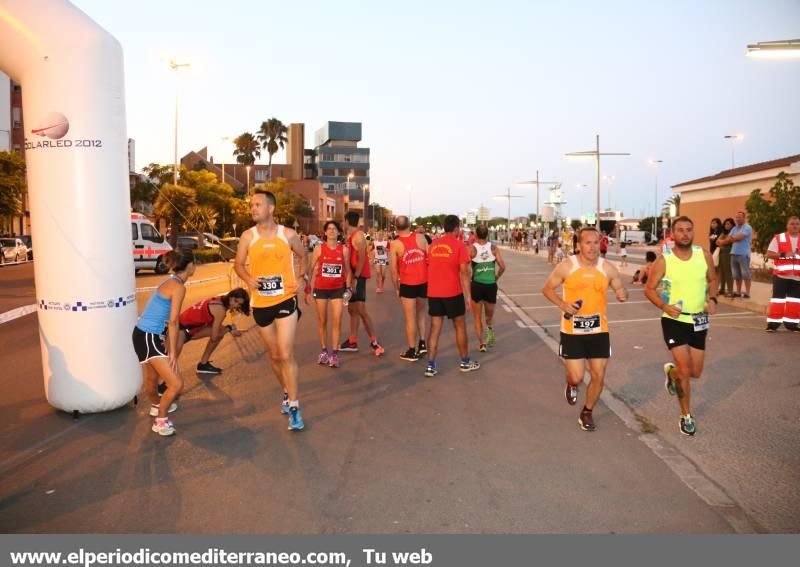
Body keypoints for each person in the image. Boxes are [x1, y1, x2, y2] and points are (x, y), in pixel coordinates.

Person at [542, 227, 628, 432]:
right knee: (577, 377)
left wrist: (622, 293)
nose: (592, 247)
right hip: (573, 331)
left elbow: (619, 287)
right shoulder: (567, 266)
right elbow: (547, 289)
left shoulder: (607, 267)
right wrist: (563, 305)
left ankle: (587, 411)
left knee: (599, 375)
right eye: (587, 243)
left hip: (598, 330)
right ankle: (571, 384)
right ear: (579, 245)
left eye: (596, 243)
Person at [234, 190, 307, 431]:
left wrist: (301, 277)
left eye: (257, 204)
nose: (252, 208)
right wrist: (247, 277)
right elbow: (237, 264)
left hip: (285, 299)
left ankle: (294, 407)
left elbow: (303, 256)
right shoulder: (247, 236)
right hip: (261, 303)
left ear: (271, 208)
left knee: (286, 354)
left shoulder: (288, 234)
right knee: (274, 356)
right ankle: (287, 390)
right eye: (251, 205)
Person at [644, 216, 717, 437]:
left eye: (689, 230)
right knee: (686, 370)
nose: (685, 234)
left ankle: (671, 372)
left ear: (693, 232)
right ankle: (686, 415)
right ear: (673, 234)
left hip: (698, 320)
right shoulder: (664, 260)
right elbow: (649, 289)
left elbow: (713, 280)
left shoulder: (703, 255)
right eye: (680, 230)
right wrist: (664, 306)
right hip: (674, 320)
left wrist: (712, 299)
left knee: (695, 372)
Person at [132, 250, 194, 437]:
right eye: (195, 263)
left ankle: (156, 405)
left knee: (151, 378)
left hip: (140, 334)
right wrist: (173, 352)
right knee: (176, 384)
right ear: (190, 266)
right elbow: (173, 321)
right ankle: (161, 421)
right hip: (149, 336)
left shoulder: (170, 281)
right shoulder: (178, 287)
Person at [425, 215, 480, 377]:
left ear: (443, 227)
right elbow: (464, 273)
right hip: (452, 292)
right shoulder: (459, 246)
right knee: (460, 326)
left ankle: (430, 366)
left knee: (435, 328)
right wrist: (468, 297)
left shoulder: (433, 245)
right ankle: (464, 362)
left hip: (434, 292)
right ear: (456, 229)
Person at [305, 220, 352, 367]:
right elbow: (310, 269)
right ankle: (324, 351)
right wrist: (307, 288)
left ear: (339, 232)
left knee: (337, 321)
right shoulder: (319, 249)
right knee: (322, 320)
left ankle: (335, 354)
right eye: (329, 229)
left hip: (338, 290)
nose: (331, 231)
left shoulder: (344, 250)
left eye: (334, 229)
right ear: (325, 233)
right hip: (321, 289)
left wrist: (349, 289)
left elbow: (348, 271)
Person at [175, 288, 250, 375]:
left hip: (184, 325)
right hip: (181, 330)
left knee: (220, 333)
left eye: (239, 304)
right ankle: (163, 383)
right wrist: (229, 328)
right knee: (169, 361)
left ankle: (203, 364)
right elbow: (214, 337)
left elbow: (213, 325)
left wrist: (229, 329)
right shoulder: (220, 310)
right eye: (235, 300)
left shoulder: (219, 300)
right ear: (230, 296)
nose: (235, 305)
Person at [340, 211, 384, 356]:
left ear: (346, 221)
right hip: (351, 277)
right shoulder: (351, 236)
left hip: (357, 278)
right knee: (352, 310)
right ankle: (352, 341)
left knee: (361, 311)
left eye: (343, 221)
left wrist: (356, 277)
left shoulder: (358, 236)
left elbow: (361, 259)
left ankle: (375, 343)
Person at [389, 215, 429, 361]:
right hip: (423, 282)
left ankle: (412, 350)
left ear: (395, 228)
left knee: (409, 317)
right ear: (410, 226)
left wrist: (396, 288)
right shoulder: (421, 238)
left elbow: (393, 270)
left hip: (408, 283)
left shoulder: (395, 244)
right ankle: (422, 343)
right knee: (420, 313)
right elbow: (429, 259)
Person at [469, 225, 506, 352]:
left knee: (477, 317)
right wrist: (496, 277)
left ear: (476, 235)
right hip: (490, 285)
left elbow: (465, 269)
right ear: (487, 234)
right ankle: (487, 332)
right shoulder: (494, 248)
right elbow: (503, 267)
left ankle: (482, 341)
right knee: (488, 316)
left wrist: (469, 278)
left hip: (477, 285)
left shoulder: (471, 249)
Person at [765, 216, 800, 332]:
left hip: (797, 278)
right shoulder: (779, 238)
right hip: (781, 276)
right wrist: (785, 254)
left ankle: (792, 324)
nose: (795, 226)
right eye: (792, 224)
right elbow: (769, 254)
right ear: (787, 225)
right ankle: (772, 325)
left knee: (794, 302)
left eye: (797, 224)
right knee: (778, 301)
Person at [726, 210, 753, 299]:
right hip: (734, 253)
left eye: (739, 217)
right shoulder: (734, 228)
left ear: (744, 218)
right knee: (736, 275)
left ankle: (747, 292)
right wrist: (734, 238)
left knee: (746, 274)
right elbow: (729, 238)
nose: (737, 219)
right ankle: (738, 291)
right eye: (736, 217)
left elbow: (740, 237)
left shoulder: (747, 227)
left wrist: (734, 238)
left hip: (743, 254)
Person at [717, 218, 735, 297]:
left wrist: (722, 242)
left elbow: (727, 241)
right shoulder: (723, 233)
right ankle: (722, 289)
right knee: (722, 272)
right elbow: (717, 241)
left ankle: (730, 290)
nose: (726, 225)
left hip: (728, 254)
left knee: (728, 272)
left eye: (728, 224)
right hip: (721, 253)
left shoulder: (733, 232)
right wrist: (722, 242)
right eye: (725, 224)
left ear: (732, 225)